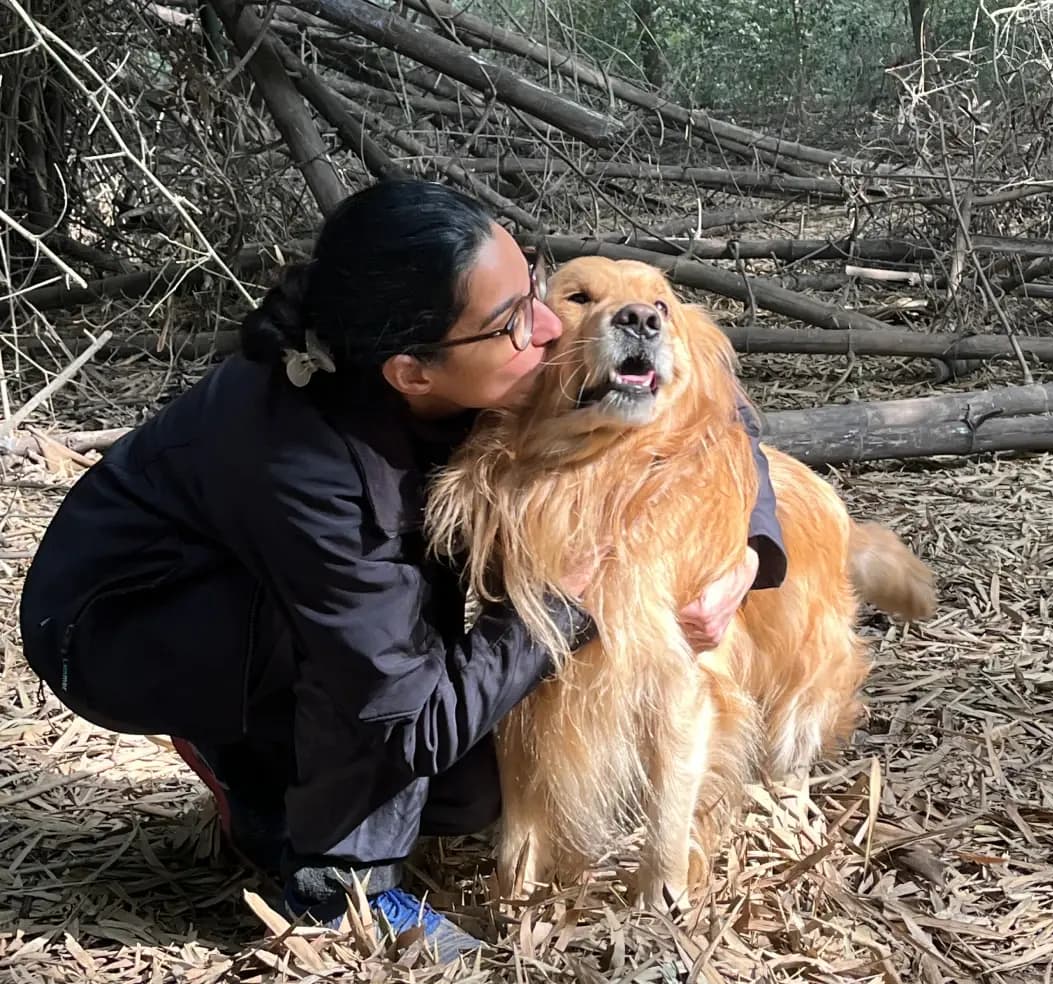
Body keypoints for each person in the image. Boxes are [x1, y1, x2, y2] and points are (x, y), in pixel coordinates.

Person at [18, 180, 786, 961]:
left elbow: (711, 403)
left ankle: (260, 772)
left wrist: (751, 553)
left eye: (534, 286)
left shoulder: (470, 343)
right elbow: (407, 716)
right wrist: (555, 607)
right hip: (126, 624)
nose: (552, 328)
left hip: (294, 592)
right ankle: (338, 888)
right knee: (392, 662)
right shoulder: (311, 468)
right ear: (411, 374)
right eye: (516, 322)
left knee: (471, 791)